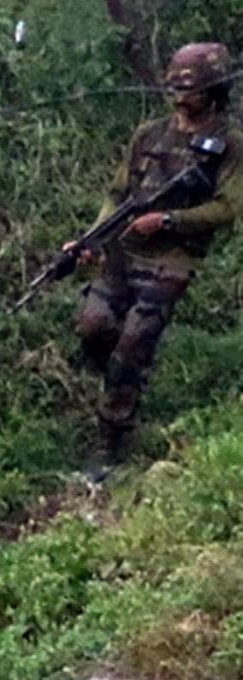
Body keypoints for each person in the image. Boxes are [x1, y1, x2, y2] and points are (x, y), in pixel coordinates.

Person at [73, 42, 239, 465]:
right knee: (93, 327)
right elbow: (117, 193)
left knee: (134, 341)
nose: (181, 97)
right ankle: (120, 380)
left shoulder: (230, 143)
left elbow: (228, 207)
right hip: (123, 251)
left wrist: (168, 221)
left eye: (192, 89)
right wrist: (91, 237)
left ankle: (111, 440)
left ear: (214, 90)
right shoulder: (149, 134)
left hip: (173, 259)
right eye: (176, 88)